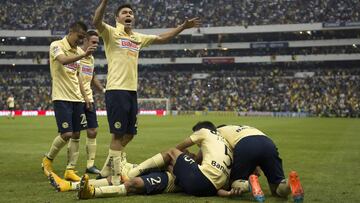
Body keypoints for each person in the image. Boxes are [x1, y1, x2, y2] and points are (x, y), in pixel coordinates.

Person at [92, 0, 201, 186]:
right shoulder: (111, 33)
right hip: (116, 90)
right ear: (117, 17)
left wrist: (183, 26)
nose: (128, 15)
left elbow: (162, 38)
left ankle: (106, 169)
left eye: (131, 13)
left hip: (131, 91)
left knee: (129, 134)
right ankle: (116, 177)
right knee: (118, 135)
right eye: (124, 12)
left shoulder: (137, 38)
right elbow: (96, 22)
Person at [41, 21, 98, 182]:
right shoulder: (56, 45)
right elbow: (63, 60)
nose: (80, 40)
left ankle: (70, 170)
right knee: (66, 133)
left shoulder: (77, 51)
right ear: (71, 31)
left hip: (77, 98)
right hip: (61, 97)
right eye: (79, 37)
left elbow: (78, 76)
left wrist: (85, 97)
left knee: (76, 134)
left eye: (82, 38)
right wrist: (83, 55)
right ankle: (48, 159)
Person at [217, 124, 304, 203]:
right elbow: (257, 145)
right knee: (277, 188)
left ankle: (249, 184)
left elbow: (225, 153)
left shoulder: (218, 132)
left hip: (245, 144)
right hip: (268, 143)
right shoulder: (238, 127)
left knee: (235, 182)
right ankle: (290, 183)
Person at [79, 30, 105, 174]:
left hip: (89, 99)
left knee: (93, 131)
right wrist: (84, 96)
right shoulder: (76, 55)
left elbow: (92, 76)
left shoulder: (91, 59)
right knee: (75, 133)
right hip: (76, 98)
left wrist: (103, 90)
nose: (96, 45)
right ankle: (70, 165)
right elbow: (74, 78)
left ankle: (90, 165)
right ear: (85, 41)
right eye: (93, 42)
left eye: (97, 43)